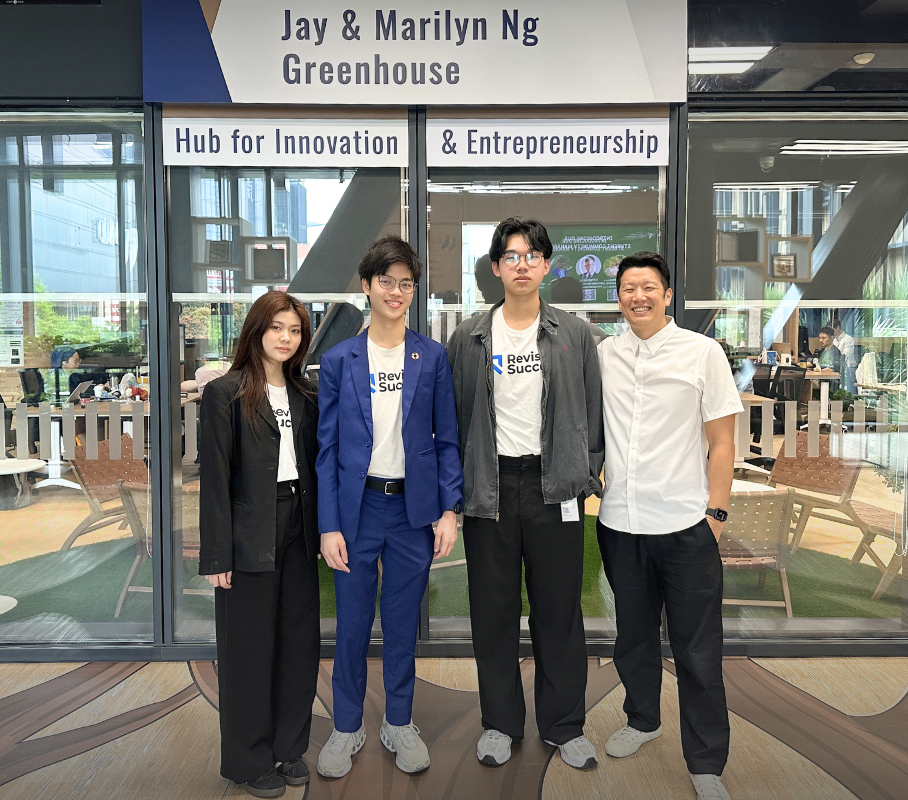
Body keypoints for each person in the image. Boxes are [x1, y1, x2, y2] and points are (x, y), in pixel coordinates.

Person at [446, 217, 604, 771]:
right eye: (511, 256)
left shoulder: (574, 333)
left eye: (532, 255)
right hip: (490, 488)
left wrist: (586, 475)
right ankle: (499, 724)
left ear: (546, 266)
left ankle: (564, 725)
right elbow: (456, 417)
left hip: (554, 487)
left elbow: (593, 413)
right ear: (496, 268)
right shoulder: (468, 336)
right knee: (492, 612)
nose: (522, 264)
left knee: (559, 611)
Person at [595, 252, 742, 800]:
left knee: (697, 650)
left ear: (667, 295)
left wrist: (716, 514)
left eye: (649, 287)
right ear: (619, 297)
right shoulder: (604, 354)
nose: (639, 296)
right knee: (632, 639)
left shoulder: (702, 353)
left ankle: (706, 762)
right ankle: (642, 721)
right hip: (620, 523)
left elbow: (723, 442)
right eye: (629, 287)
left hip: (685, 526)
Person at [315, 235, 463, 778]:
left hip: (412, 513)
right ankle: (347, 726)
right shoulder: (339, 360)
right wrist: (329, 525)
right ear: (366, 286)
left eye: (405, 283)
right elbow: (327, 451)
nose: (396, 292)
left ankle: (398, 722)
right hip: (356, 513)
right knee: (352, 625)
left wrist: (449, 511)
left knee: (402, 625)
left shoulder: (432, 356)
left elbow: (447, 439)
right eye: (386, 282)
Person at [198, 291, 321, 799]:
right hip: (249, 530)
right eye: (277, 328)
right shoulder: (224, 393)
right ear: (256, 331)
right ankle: (248, 761)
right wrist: (216, 556)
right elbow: (215, 480)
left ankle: (288, 748)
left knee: (298, 644)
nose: (286, 338)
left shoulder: (306, 394)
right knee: (248, 650)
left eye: (294, 330)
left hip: (299, 527)